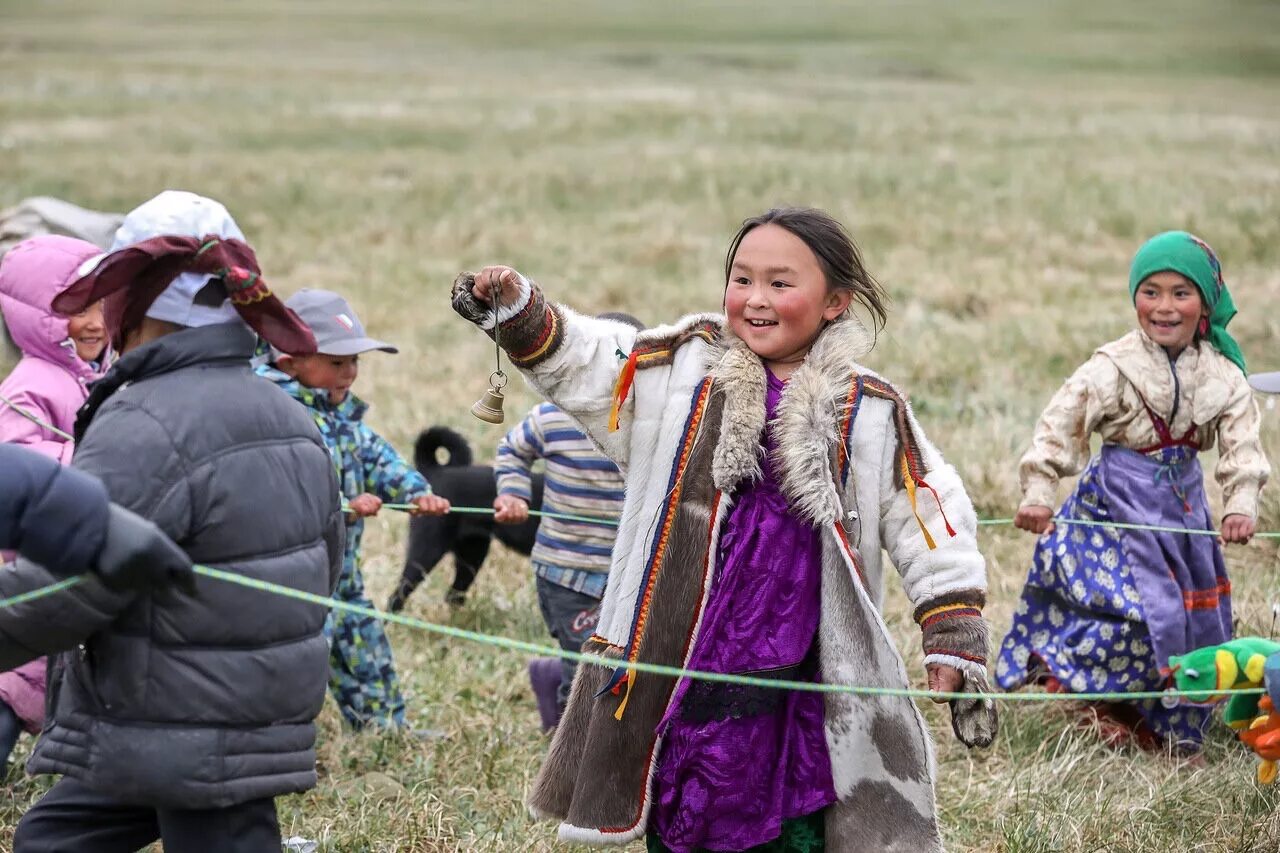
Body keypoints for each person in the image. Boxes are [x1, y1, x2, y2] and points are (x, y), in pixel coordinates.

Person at [452, 207, 996, 852]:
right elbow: (591, 361)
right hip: (684, 653)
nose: (755, 299)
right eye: (742, 279)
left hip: (802, 672)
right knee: (683, 797)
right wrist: (519, 309)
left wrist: (952, 624)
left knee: (797, 817)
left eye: (781, 283)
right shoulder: (680, 371)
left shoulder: (870, 409)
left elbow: (930, 515)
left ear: (835, 302)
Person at [0, 189, 343, 853]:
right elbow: (328, 558)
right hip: (220, 712)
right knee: (53, 838)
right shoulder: (293, 415)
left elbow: (72, 585)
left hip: (188, 729)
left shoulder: (145, 420)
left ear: (130, 299)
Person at [996, 231, 1269, 754]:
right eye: (1151, 291)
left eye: (1181, 293)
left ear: (1205, 304)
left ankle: (1158, 717)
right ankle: (1093, 700)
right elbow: (1061, 423)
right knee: (1132, 612)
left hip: (1182, 513)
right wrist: (1039, 491)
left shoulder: (1223, 376)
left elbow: (1242, 446)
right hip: (1111, 513)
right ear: (1134, 296)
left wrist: (1240, 504)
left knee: (1189, 618)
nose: (1164, 307)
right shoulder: (1112, 366)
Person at [257, 288, 449, 731]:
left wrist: (416, 491)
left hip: (343, 573)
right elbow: (281, 489)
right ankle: (278, 741)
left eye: (354, 362)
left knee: (366, 647)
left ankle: (385, 727)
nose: (350, 373)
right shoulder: (276, 415)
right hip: (296, 580)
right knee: (297, 663)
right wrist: (342, 506)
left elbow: (379, 457)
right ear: (290, 360)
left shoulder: (341, 415)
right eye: (337, 362)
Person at [493, 312, 642, 731]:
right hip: (567, 574)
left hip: (626, 572)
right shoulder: (551, 418)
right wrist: (512, 492)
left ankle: (550, 677)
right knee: (586, 666)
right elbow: (512, 451)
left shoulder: (647, 424)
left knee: (624, 658)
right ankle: (568, 747)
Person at [0, 234, 113, 768]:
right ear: (35, 319)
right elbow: (16, 464)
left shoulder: (97, 376)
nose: (95, 323)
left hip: (71, 553)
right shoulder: (29, 385)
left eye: (101, 304)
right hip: (32, 561)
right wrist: (94, 459)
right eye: (74, 311)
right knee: (15, 680)